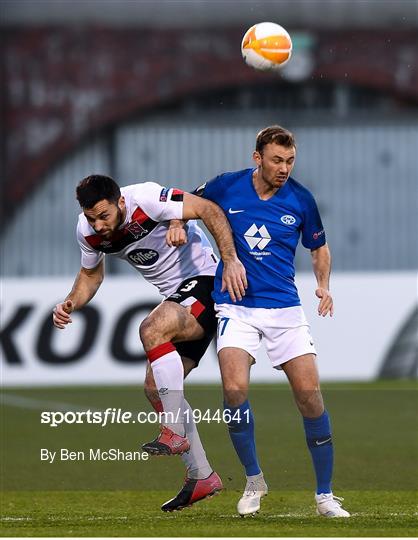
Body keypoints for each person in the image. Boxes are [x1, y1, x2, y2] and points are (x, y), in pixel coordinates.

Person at [52, 174, 247, 512]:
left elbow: (209, 208)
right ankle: (201, 475)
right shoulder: (87, 232)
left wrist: (228, 259)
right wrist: (70, 302)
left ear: (121, 203)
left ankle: (172, 429)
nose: (98, 224)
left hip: (206, 284)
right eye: (91, 217)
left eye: (104, 215)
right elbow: (90, 275)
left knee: (151, 329)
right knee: (155, 388)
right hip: (178, 299)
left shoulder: (146, 197)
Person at [197, 125, 350, 518]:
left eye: (290, 160)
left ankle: (325, 496)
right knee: (233, 389)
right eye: (277, 160)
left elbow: (319, 247)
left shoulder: (301, 199)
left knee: (310, 395)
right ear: (257, 158)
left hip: (284, 309)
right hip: (236, 307)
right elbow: (187, 201)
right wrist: (180, 222)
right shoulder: (227, 186)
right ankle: (253, 480)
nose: (284, 168)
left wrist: (323, 285)